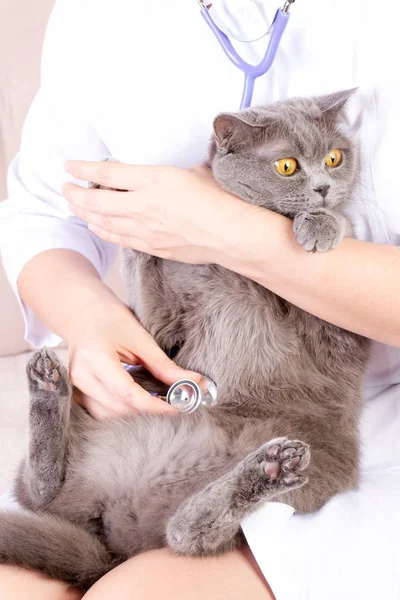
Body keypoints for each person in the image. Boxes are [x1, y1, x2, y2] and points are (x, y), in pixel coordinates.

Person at [1, 0, 399, 598]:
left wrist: (235, 233)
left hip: (343, 419)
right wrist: (89, 320)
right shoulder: (96, 15)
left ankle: (214, 512)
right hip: (167, 412)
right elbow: (42, 212)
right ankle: (56, 467)